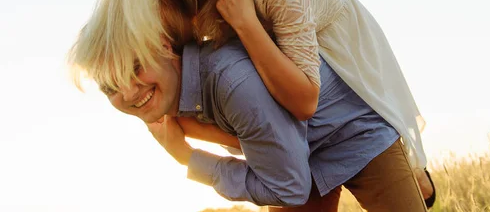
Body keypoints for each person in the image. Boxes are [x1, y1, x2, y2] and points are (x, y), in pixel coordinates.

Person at [71, 0, 434, 205]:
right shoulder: (192, 14)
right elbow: (238, 111)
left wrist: (244, 22)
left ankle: (411, 170)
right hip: (299, 148)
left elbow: (304, 102)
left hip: (352, 119)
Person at [69, 14, 428, 211]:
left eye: (134, 68)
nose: (128, 93)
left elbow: (287, 188)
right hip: (294, 158)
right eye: (110, 87)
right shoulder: (169, 103)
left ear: (163, 46)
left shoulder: (230, 80)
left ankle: (415, 178)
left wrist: (187, 158)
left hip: (352, 134)